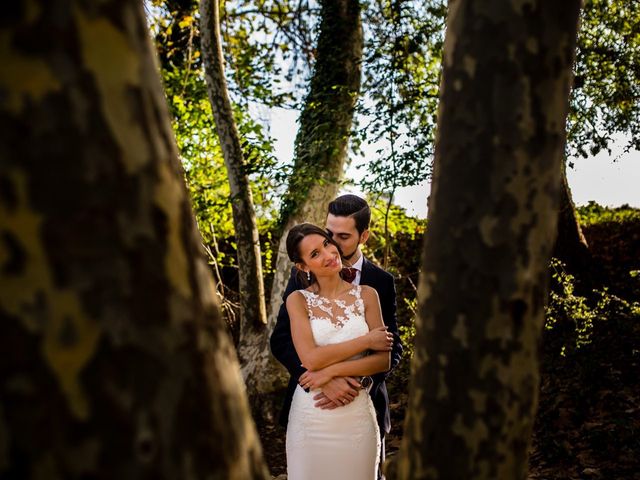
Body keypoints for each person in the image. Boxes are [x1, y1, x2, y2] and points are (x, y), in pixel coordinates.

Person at [270, 194, 403, 478]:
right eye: (328, 233)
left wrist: (357, 382)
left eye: (340, 237)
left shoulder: (378, 284)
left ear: (363, 236)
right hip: (312, 406)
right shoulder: (299, 286)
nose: (332, 246)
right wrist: (318, 381)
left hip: (361, 407)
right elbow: (281, 341)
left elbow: (390, 349)